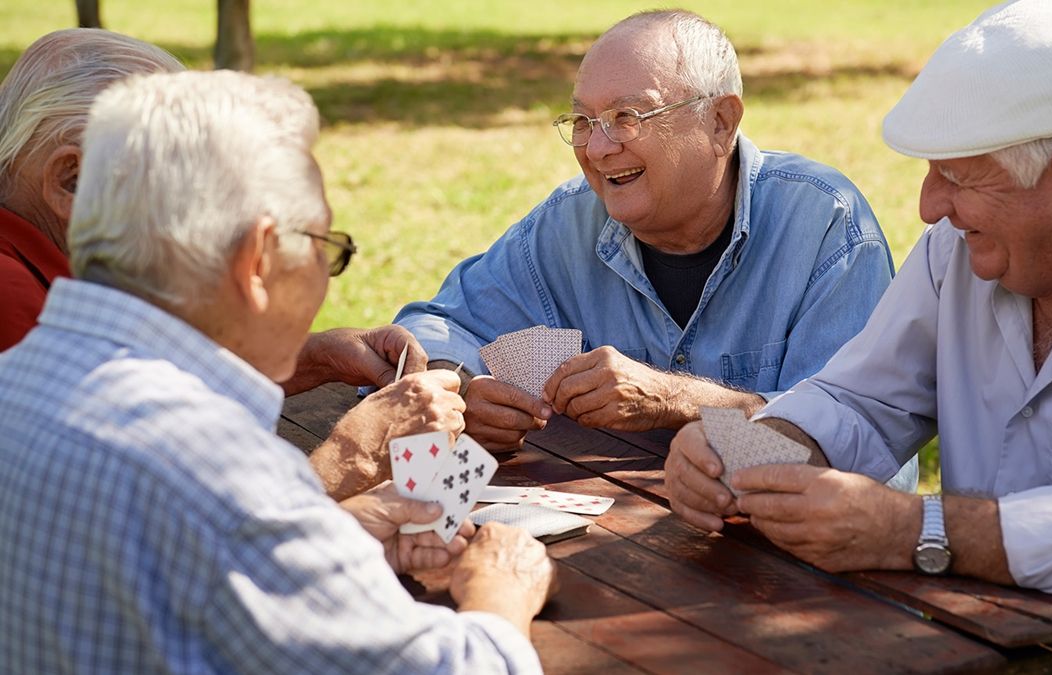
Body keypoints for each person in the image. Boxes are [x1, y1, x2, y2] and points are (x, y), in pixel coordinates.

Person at [665, 0, 1052, 671]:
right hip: (965, 650)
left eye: (957, 176)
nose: (927, 206)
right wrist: (740, 448)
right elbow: (862, 398)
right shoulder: (960, 249)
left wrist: (918, 530)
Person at [0, 70, 555, 673]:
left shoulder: (18, 379)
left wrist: (331, 537)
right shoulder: (218, 466)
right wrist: (501, 587)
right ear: (258, 260)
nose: (323, 275)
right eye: (324, 245)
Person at [396, 10, 916, 488]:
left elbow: (858, 454)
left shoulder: (825, 224)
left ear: (721, 123)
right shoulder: (568, 223)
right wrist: (462, 390)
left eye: (627, 116)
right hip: (609, 548)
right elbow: (435, 327)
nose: (598, 148)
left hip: (773, 566)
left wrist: (681, 403)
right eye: (582, 121)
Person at [0, 28, 439, 500]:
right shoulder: (14, 300)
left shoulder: (59, 271)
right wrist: (356, 453)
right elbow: (158, 519)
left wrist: (312, 358)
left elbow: (151, 385)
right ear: (72, 180)